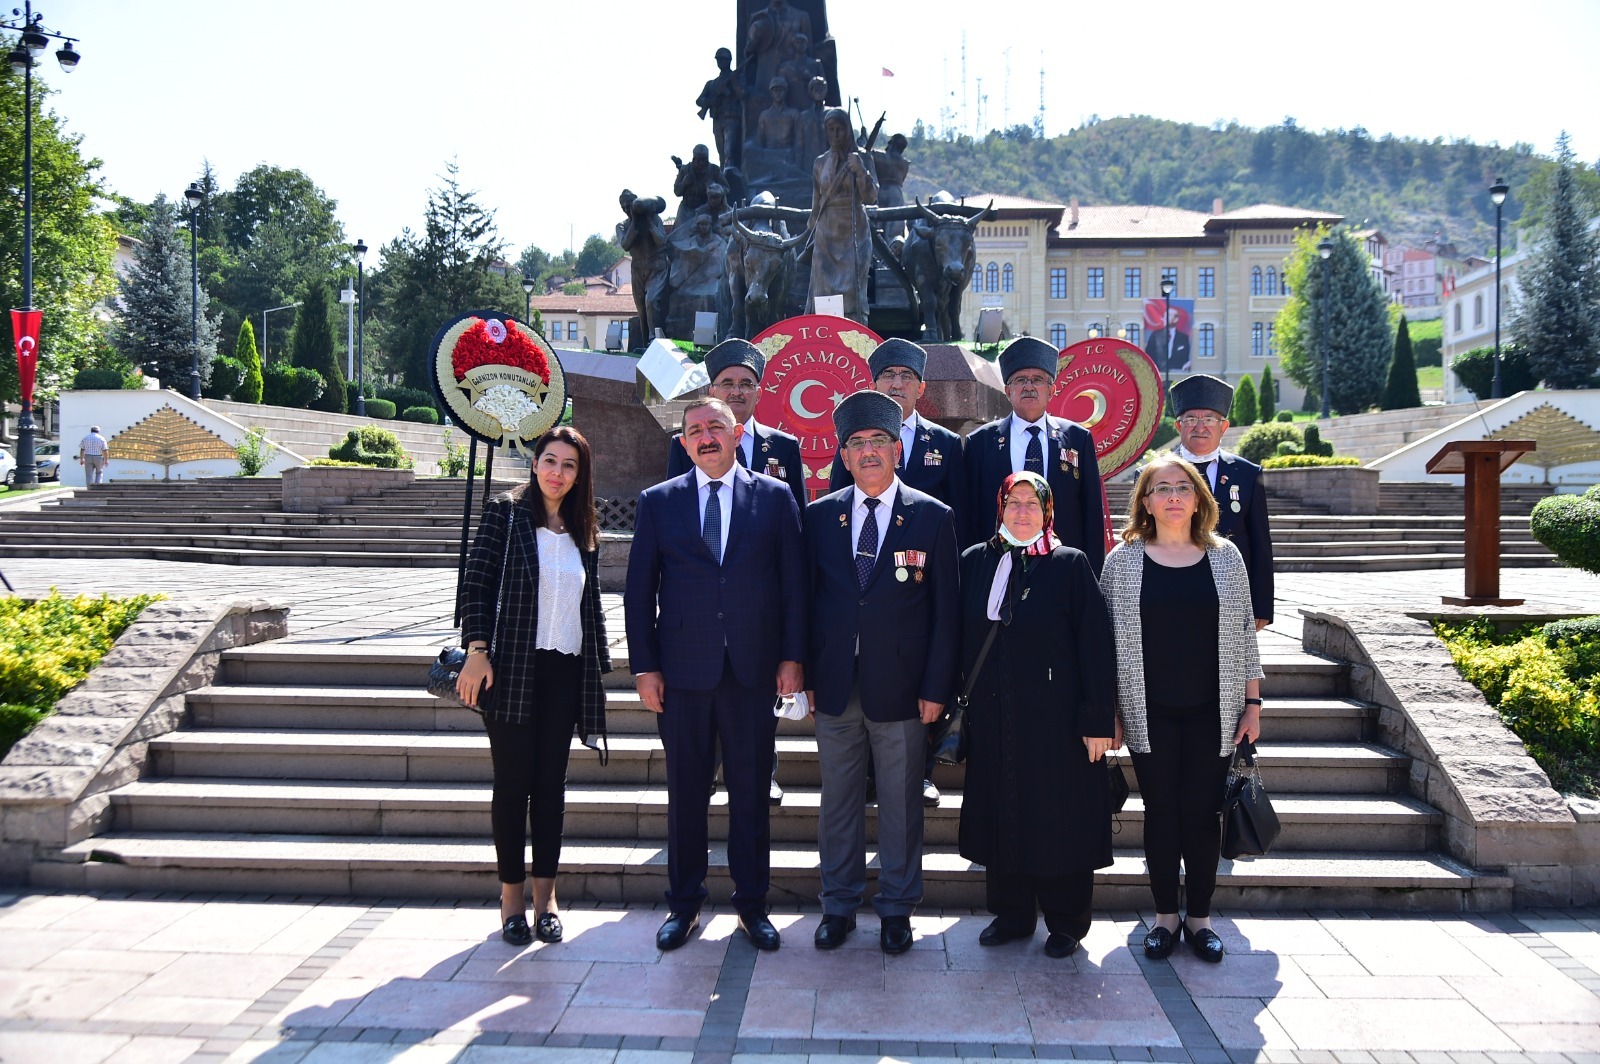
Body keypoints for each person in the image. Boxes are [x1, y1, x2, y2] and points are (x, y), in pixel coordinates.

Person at [625, 396, 806, 952]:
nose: (705, 437)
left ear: (737, 433)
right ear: (684, 443)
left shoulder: (774, 497)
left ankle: (752, 906)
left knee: (751, 795)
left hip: (752, 672)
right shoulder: (659, 502)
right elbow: (638, 592)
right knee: (686, 796)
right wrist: (645, 667)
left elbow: (794, 585)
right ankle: (684, 905)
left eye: (715, 428)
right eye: (695, 431)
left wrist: (792, 658)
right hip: (681, 675)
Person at [803, 389, 959, 955]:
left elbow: (946, 614)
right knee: (837, 801)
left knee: (900, 803)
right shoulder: (819, 516)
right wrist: (806, 674)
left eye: (878, 442)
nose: (868, 452)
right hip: (836, 687)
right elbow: (807, 600)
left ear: (898, 450)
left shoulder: (933, 516)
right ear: (843, 456)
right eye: (856, 443)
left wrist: (937, 687)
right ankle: (838, 904)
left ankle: (897, 907)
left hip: (904, 691)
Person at [1098, 454, 1263, 964]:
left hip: (1215, 711)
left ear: (1198, 499)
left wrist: (1253, 703)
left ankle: (1201, 919)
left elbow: (1244, 636)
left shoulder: (1226, 557)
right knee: (1162, 813)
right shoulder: (1122, 560)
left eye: (1182, 488)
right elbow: (1102, 645)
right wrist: (1111, 711)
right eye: (1161, 487)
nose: (1173, 496)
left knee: (1203, 814)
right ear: (1145, 501)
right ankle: (1166, 916)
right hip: (1149, 711)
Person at [455, 426, 610, 948]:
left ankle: (548, 900)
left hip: (565, 670)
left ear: (578, 473)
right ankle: (511, 900)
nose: (557, 472)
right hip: (512, 668)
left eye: (569, 465)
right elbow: (475, 583)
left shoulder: (584, 527)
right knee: (512, 785)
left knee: (550, 788)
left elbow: (589, 607)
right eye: (550, 460)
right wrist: (477, 652)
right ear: (535, 462)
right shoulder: (506, 512)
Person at [957, 471, 1116, 958]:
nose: (1022, 511)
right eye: (1013, 502)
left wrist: (1097, 720)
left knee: (1059, 818)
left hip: (1058, 725)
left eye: (1032, 503)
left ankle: (1066, 921)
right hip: (994, 717)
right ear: (999, 507)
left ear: (1047, 512)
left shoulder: (1070, 564)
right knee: (1003, 811)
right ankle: (1013, 915)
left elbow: (1095, 645)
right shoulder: (977, 561)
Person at [828, 337, 966, 806]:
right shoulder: (853, 438)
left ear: (920, 386)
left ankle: (921, 772)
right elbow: (835, 509)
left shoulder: (945, 444)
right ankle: (867, 774)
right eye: (888, 375)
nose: (897, 383)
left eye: (906, 376)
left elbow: (958, 516)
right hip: (861, 590)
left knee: (915, 690)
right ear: (874, 382)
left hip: (919, 586)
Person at [962, 336, 1105, 571]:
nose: (1029, 386)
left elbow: (1090, 512)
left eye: (1037, 380)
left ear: (1052, 390)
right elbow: (971, 513)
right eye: (1020, 380)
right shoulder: (981, 442)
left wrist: (1092, 574)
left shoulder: (1078, 439)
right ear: (1008, 391)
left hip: (1063, 566)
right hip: (999, 566)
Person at [1168, 374, 1274, 631]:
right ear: (1179, 426)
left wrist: (1262, 605)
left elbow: (1260, 542)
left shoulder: (1247, 474)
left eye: (1209, 419)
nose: (1200, 427)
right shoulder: (1155, 472)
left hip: (1230, 593)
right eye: (1191, 419)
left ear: (1223, 427)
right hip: (1169, 588)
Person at [667, 338, 806, 513]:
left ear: (759, 394)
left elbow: (797, 515)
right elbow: (673, 505)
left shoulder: (784, 446)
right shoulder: (688, 444)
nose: (736, 392)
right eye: (727, 384)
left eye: (746, 385)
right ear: (712, 392)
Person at [807, 107, 877, 322]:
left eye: (840, 129)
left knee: (853, 286)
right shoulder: (820, 162)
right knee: (824, 286)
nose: (835, 134)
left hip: (854, 229)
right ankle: (823, 330)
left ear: (848, 129)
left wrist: (860, 170)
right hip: (827, 231)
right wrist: (811, 226)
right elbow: (817, 199)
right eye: (831, 129)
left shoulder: (862, 157)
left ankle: (854, 330)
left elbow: (872, 196)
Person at [696, 47, 744, 169]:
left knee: (729, 151)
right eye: (719, 60)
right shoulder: (712, 83)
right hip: (718, 119)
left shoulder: (735, 78)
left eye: (723, 60)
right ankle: (723, 173)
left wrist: (733, 82)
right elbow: (699, 101)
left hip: (731, 119)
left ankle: (728, 173)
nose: (721, 62)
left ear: (729, 61)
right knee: (721, 152)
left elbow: (742, 95)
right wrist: (710, 101)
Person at [1144, 307, 1191, 373]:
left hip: (1177, 374)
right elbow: (1148, 354)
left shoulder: (1183, 338)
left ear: (1176, 319)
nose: (1165, 318)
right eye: (1164, 316)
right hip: (1159, 374)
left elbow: (1185, 358)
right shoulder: (1155, 336)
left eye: (1168, 315)